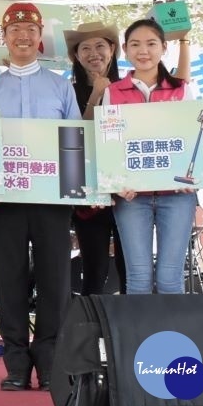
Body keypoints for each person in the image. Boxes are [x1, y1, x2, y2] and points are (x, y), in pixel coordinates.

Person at [0, 2, 80, 391]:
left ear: (40, 39)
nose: (22, 36)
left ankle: (52, 359)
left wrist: (75, 190)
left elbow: (73, 140)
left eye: (30, 30)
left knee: (56, 280)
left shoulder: (60, 85)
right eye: (14, 31)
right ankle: (17, 362)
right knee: (10, 279)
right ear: (4, 38)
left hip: (52, 199)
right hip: (4, 201)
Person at [104, 19, 197, 295]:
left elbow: (193, 140)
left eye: (151, 44)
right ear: (125, 49)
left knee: (171, 279)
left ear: (164, 48)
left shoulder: (181, 90)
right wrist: (117, 182)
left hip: (177, 195)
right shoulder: (112, 92)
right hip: (132, 198)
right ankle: (139, 339)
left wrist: (190, 176)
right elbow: (110, 144)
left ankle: (172, 339)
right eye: (135, 44)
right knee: (138, 278)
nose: (143, 51)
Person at [63, 21, 126, 296]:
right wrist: (97, 94)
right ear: (76, 56)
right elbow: (75, 137)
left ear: (112, 49)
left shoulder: (129, 88)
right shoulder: (66, 91)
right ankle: (92, 335)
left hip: (128, 189)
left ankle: (130, 334)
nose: (93, 53)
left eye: (100, 45)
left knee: (131, 268)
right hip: (88, 192)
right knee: (94, 271)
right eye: (85, 48)